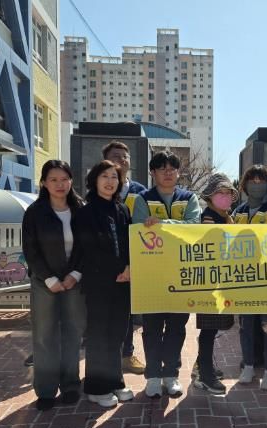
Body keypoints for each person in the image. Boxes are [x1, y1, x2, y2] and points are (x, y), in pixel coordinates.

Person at [132, 151, 202, 398]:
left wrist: (162, 225)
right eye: (162, 168)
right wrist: (174, 228)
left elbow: (194, 227)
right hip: (151, 274)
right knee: (151, 328)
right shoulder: (143, 199)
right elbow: (139, 229)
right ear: (153, 173)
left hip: (182, 273)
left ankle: (171, 375)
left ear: (178, 172)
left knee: (176, 327)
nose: (168, 172)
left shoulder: (189, 198)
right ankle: (153, 376)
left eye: (172, 168)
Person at [22, 160, 86, 411]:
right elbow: (30, 249)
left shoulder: (80, 209)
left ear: (71, 181)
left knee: (73, 333)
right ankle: (46, 389)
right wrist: (49, 278)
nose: (60, 185)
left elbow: (87, 245)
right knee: (44, 334)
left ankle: (70, 385)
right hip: (44, 281)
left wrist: (76, 274)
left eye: (64, 179)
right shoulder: (35, 212)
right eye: (53, 180)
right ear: (43, 183)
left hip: (74, 280)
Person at [72, 160, 133, 408]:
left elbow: (131, 243)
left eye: (114, 177)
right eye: (105, 176)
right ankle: (96, 388)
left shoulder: (122, 210)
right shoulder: (85, 212)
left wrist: (129, 267)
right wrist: (119, 269)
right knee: (98, 334)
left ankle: (115, 381)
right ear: (94, 180)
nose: (110, 181)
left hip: (123, 282)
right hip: (98, 283)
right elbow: (89, 249)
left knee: (117, 334)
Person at [233, 165, 267, 390]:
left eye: (261, 181)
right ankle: (248, 366)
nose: (256, 185)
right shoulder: (238, 211)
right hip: (244, 278)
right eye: (252, 181)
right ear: (244, 185)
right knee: (246, 325)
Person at [102, 140, 146, 376]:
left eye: (124, 156)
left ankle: (127, 355)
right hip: (108, 261)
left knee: (129, 309)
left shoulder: (141, 192)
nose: (121, 160)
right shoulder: (100, 191)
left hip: (136, 259)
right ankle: (107, 358)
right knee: (107, 311)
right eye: (115, 156)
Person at [192, 173, 238, 395]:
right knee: (209, 329)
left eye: (228, 192)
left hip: (221, 280)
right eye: (220, 192)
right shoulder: (209, 218)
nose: (225, 196)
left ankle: (204, 366)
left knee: (212, 329)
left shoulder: (226, 216)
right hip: (211, 282)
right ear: (210, 196)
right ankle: (205, 374)